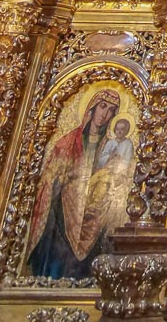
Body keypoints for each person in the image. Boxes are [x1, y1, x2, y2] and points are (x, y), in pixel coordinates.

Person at [26, 90, 123, 280]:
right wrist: (65, 181)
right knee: (59, 257)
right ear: (92, 108)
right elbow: (49, 180)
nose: (104, 114)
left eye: (111, 110)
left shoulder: (110, 147)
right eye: (102, 107)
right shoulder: (67, 142)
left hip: (94, 215)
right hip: (63, 212)